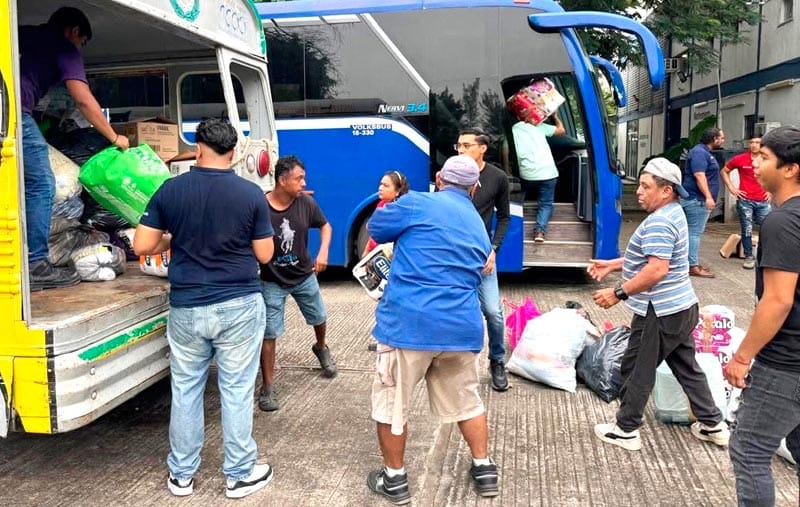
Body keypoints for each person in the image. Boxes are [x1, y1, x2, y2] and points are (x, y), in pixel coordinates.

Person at [133, 119, 275, 499]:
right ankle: (240, 473)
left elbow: (142, 246)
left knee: (186, 389)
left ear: (198, 149)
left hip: (186, 305)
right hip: (239, 304)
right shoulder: (250, 194)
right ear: (234, 153)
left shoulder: (170, 190)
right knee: (236, 389)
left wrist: (174, 238)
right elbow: (264, 254)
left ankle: (181, 475)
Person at [365, 155, 499, 504]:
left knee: (393, 405)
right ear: (474, 187)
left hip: (409, 326)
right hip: (461, 330)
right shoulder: (478, 225)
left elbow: (377, 229)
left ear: (439, 179)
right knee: (467, 400)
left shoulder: (416, 202)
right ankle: (484, 469)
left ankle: (394, 479)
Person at [588, 157, 729, 452]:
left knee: (637, 368)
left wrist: (618, 293)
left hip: (660, 311)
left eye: (645, 186)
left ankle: (626, 429)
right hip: (682, 308)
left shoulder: (660, 221)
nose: (638, 191)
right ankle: (713, 424)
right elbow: (653, 259)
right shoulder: (674, 213)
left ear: (666, 191)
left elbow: (656, 270)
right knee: (686, 368)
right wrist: (613, 264)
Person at [20, 7, 130, 291]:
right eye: (82, 42)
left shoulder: (25, 34)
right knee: (43, 185)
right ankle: (35, 265)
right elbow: (83, 100)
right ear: (75, 32)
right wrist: (114, 137)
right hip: (13, 113)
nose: (80, 48)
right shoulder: (64, 47)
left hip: (7, 109)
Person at [724, 126, 800, 507]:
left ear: (791, 169)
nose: (753, 164)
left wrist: (742, 356)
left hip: (785, 363)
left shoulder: (782, 222)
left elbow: (777, 301)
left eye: (764, 157)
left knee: (749, 449)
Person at [258, 155, 336, 412]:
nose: (304, 183)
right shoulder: (261, 207)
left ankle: (321, 347)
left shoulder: (306, 203)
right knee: (269, 333)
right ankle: (268, 386)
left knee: (319, 317)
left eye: (304, 178)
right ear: (282, 180)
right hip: (271, 280)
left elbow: (326, 226)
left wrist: (323, 251)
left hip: (303, 275)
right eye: (298, 178)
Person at [456, 127, 511, 391]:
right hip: (454, 255)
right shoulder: (451, 174)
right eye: (459, 146)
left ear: (482, 148)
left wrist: (494, 249)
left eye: (467, 145)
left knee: (493, 312)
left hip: (482, 254)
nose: (461, 150)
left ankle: (497, 360)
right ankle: (453, 361)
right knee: (456, 310)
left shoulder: (497, 177)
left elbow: (504, 216)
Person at [511, 107, 565, 242]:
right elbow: (561, 130)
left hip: (527, 173)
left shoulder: (514, 129)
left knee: (517, 198)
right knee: (545, 204)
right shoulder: (540, 127)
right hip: (548, 173)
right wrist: (554, 117)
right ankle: (539, 232)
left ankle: (512, 224)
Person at [681, 127, 726, 278]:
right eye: (721, 138)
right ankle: (692, 266)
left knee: (690, 232)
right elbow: (699, 175)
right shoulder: (700, 153)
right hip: (697, 200)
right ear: (714, 139)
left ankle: (688, 263)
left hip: (695, 198)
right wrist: (708, 197)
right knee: (694, 233)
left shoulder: (703, 152)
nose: (723, 140)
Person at [721, 136, 771, 269]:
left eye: (757, 143)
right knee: (747, 228)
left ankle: (766, 255)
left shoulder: (768, 159)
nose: (754, 145)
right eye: (752, 142)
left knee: (767, 227)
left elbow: (775, 174)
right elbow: (724, 171)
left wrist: (770, 191)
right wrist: (732, 188)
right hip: (746, 200)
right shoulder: (740, 158)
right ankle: (749, 256)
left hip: (763, 200)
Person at [361, 170, 409, 258]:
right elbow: (372, 235)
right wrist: (366, 253)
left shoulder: (400, 212)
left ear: (397, 191)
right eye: (381, 184)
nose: (380, 188)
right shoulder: (381, 204)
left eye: (386, 186)